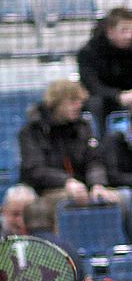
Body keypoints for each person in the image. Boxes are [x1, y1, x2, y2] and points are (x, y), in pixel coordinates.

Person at [18, 79, 121, 211]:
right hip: (46, 189)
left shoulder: (83, 127)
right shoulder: (32, 131)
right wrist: (66, 181)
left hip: (82, 187)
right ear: (56, 103)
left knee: (122, 197)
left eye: (79, 101)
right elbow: (34, 169)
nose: (78, 106)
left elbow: (94, 161)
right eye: (72, 101)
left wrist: (97, 184)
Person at [77, 7, 132, 135]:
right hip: (106, 99)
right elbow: (92, 86)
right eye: (124, 31)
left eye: (131, 30)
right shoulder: (88, 52)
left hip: (131, 97)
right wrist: (118, 96)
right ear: (110, 31)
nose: (129, 35)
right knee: (96, 103)